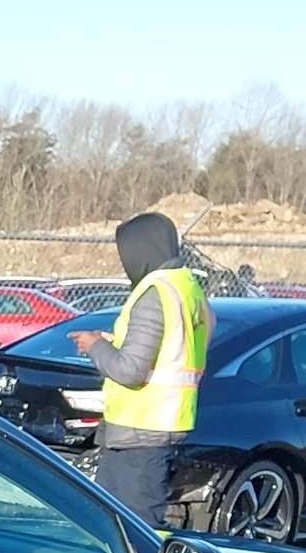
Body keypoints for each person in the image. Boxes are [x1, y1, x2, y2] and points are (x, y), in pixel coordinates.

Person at [71, 212, 213, 529]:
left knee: (134, 531)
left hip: (140, 431)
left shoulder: (155, 293)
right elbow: (174, 348)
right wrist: (116, 341)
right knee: (114, 526)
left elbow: (130, 370)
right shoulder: (186, 286)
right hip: (155, 426)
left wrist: (95, 345)